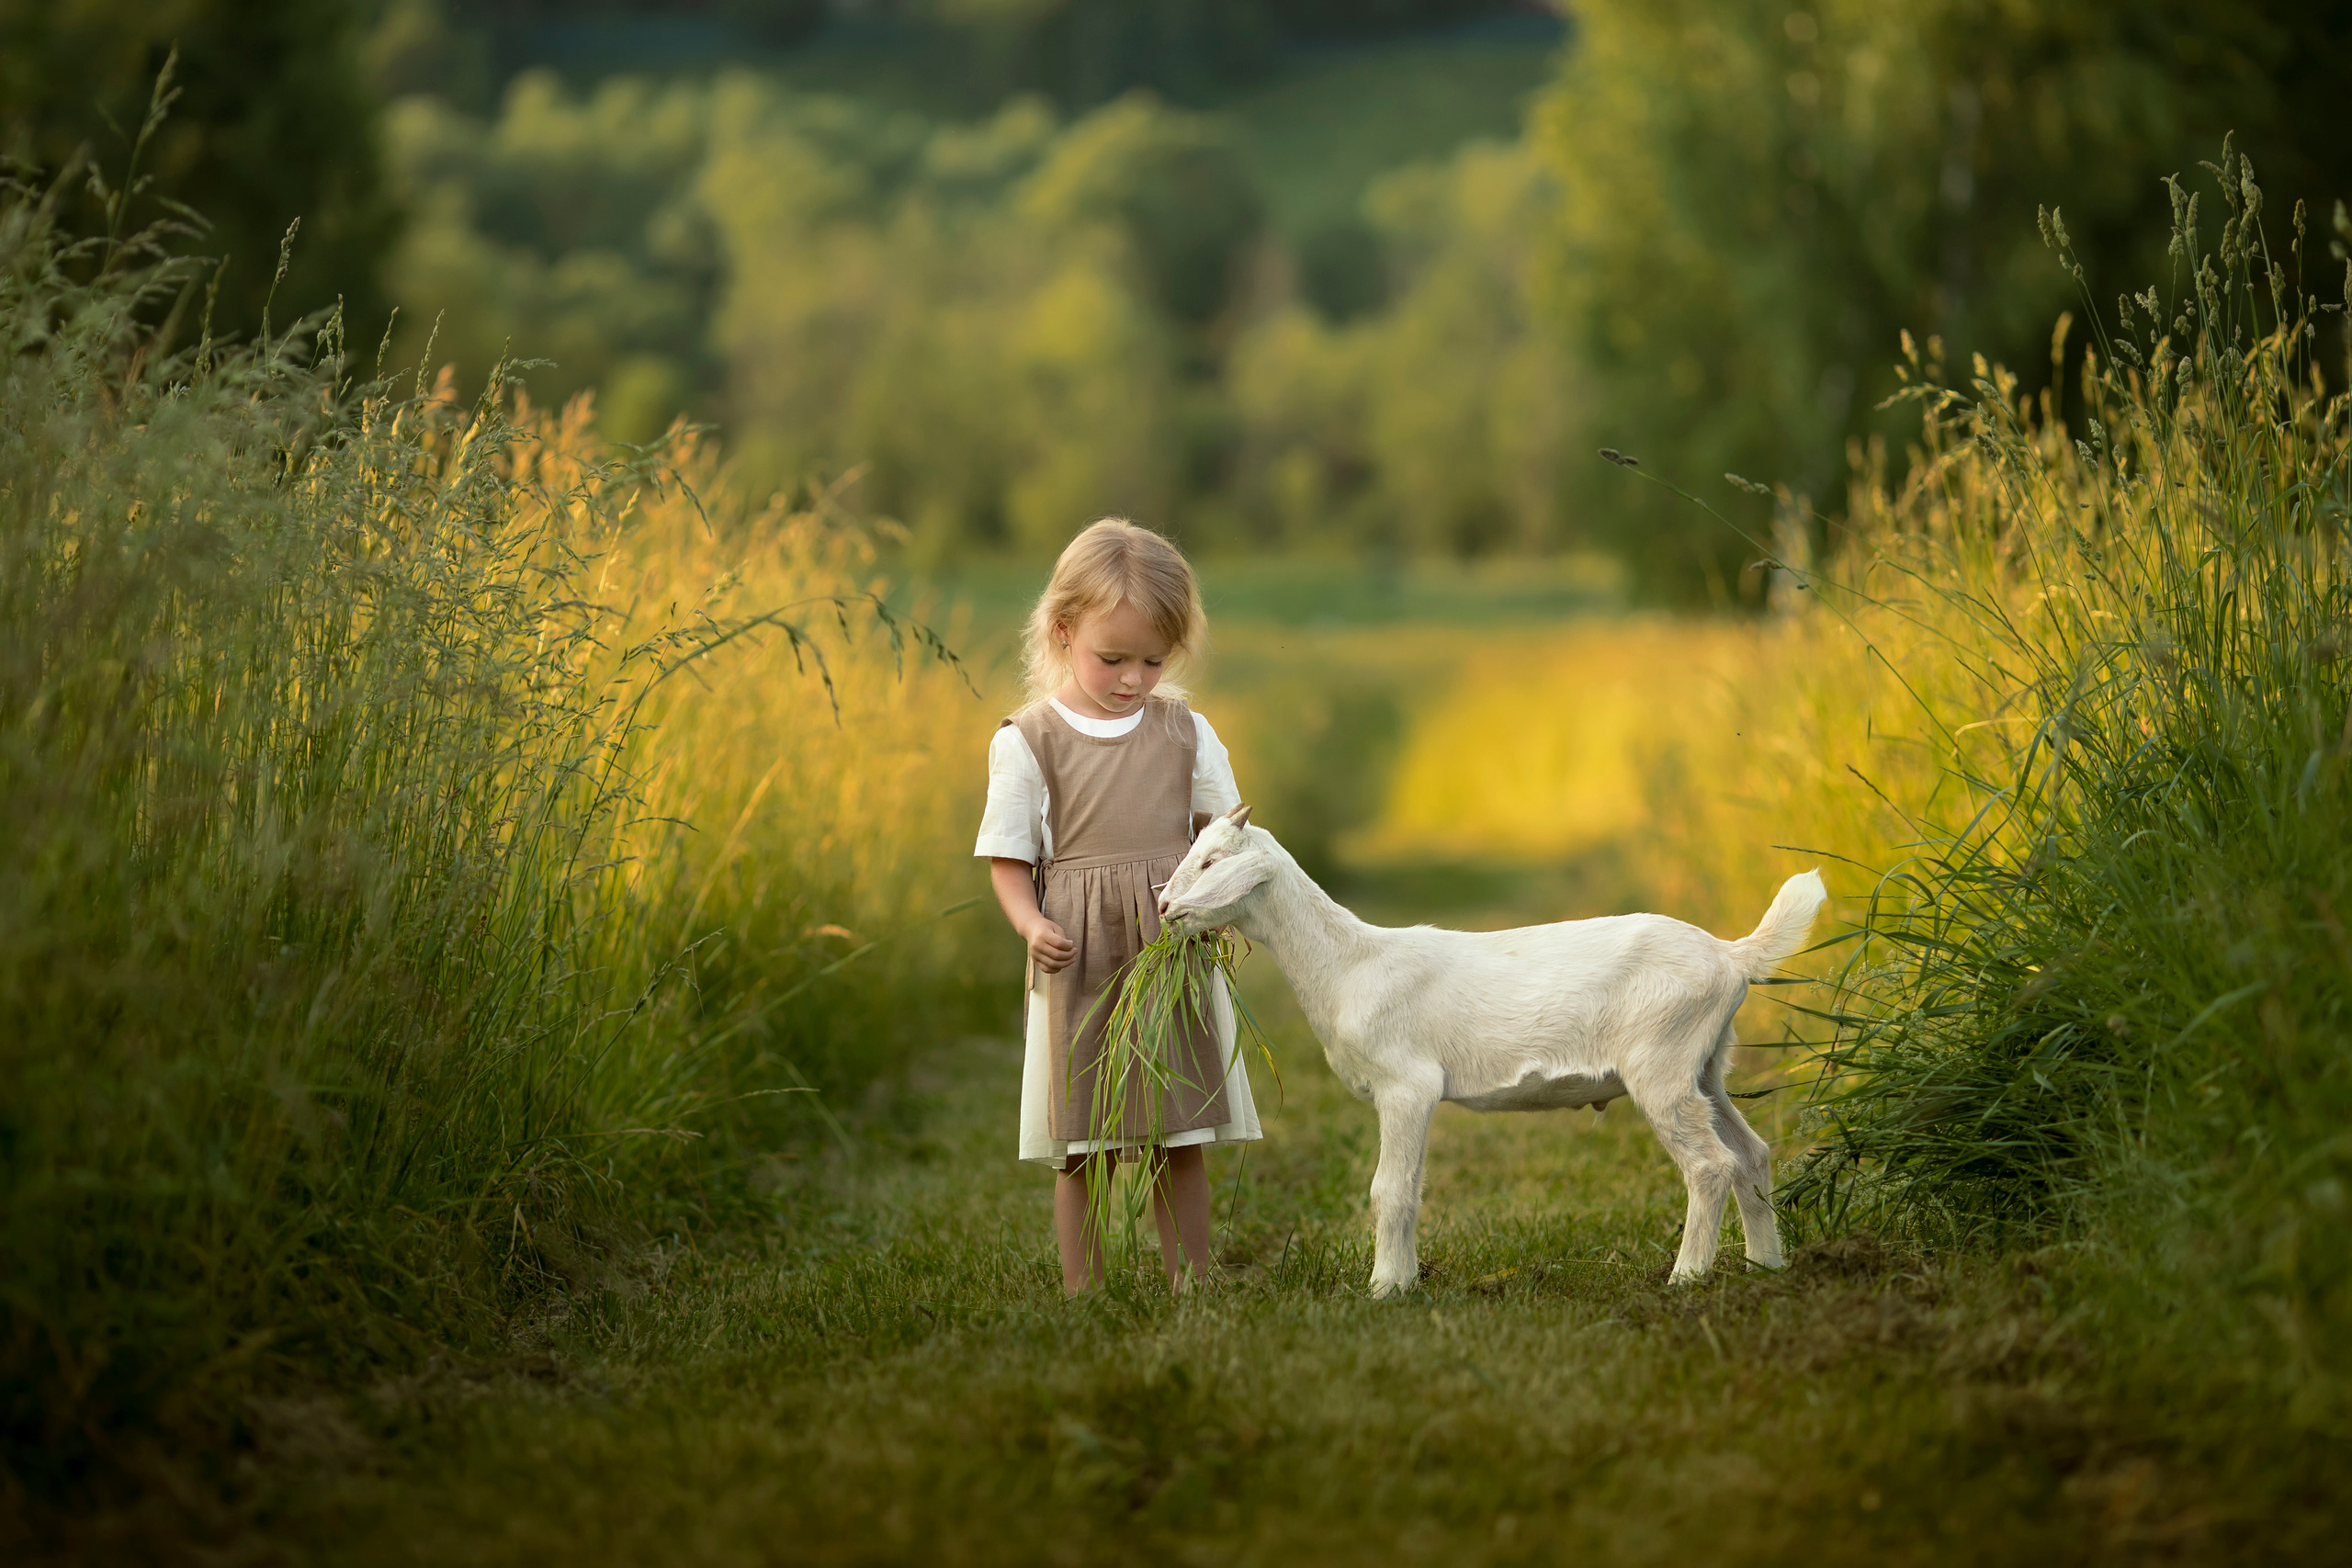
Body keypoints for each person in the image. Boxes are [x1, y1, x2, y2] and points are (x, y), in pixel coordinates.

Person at [974, 518, 1261, 1295]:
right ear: (1064, 632)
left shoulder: (1183, 731)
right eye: (1113, 658)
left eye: (1152, 660)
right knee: (1084, 1138)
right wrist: (1032, 923)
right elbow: (1009, 859)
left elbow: (1224, 829)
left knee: (1181, 1129)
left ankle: (1188, 1280)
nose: (1134, 678)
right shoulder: (1030, 740)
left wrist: (1221, 898)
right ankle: (1085, 1287)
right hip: (1082, 953)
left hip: (1167, 951)